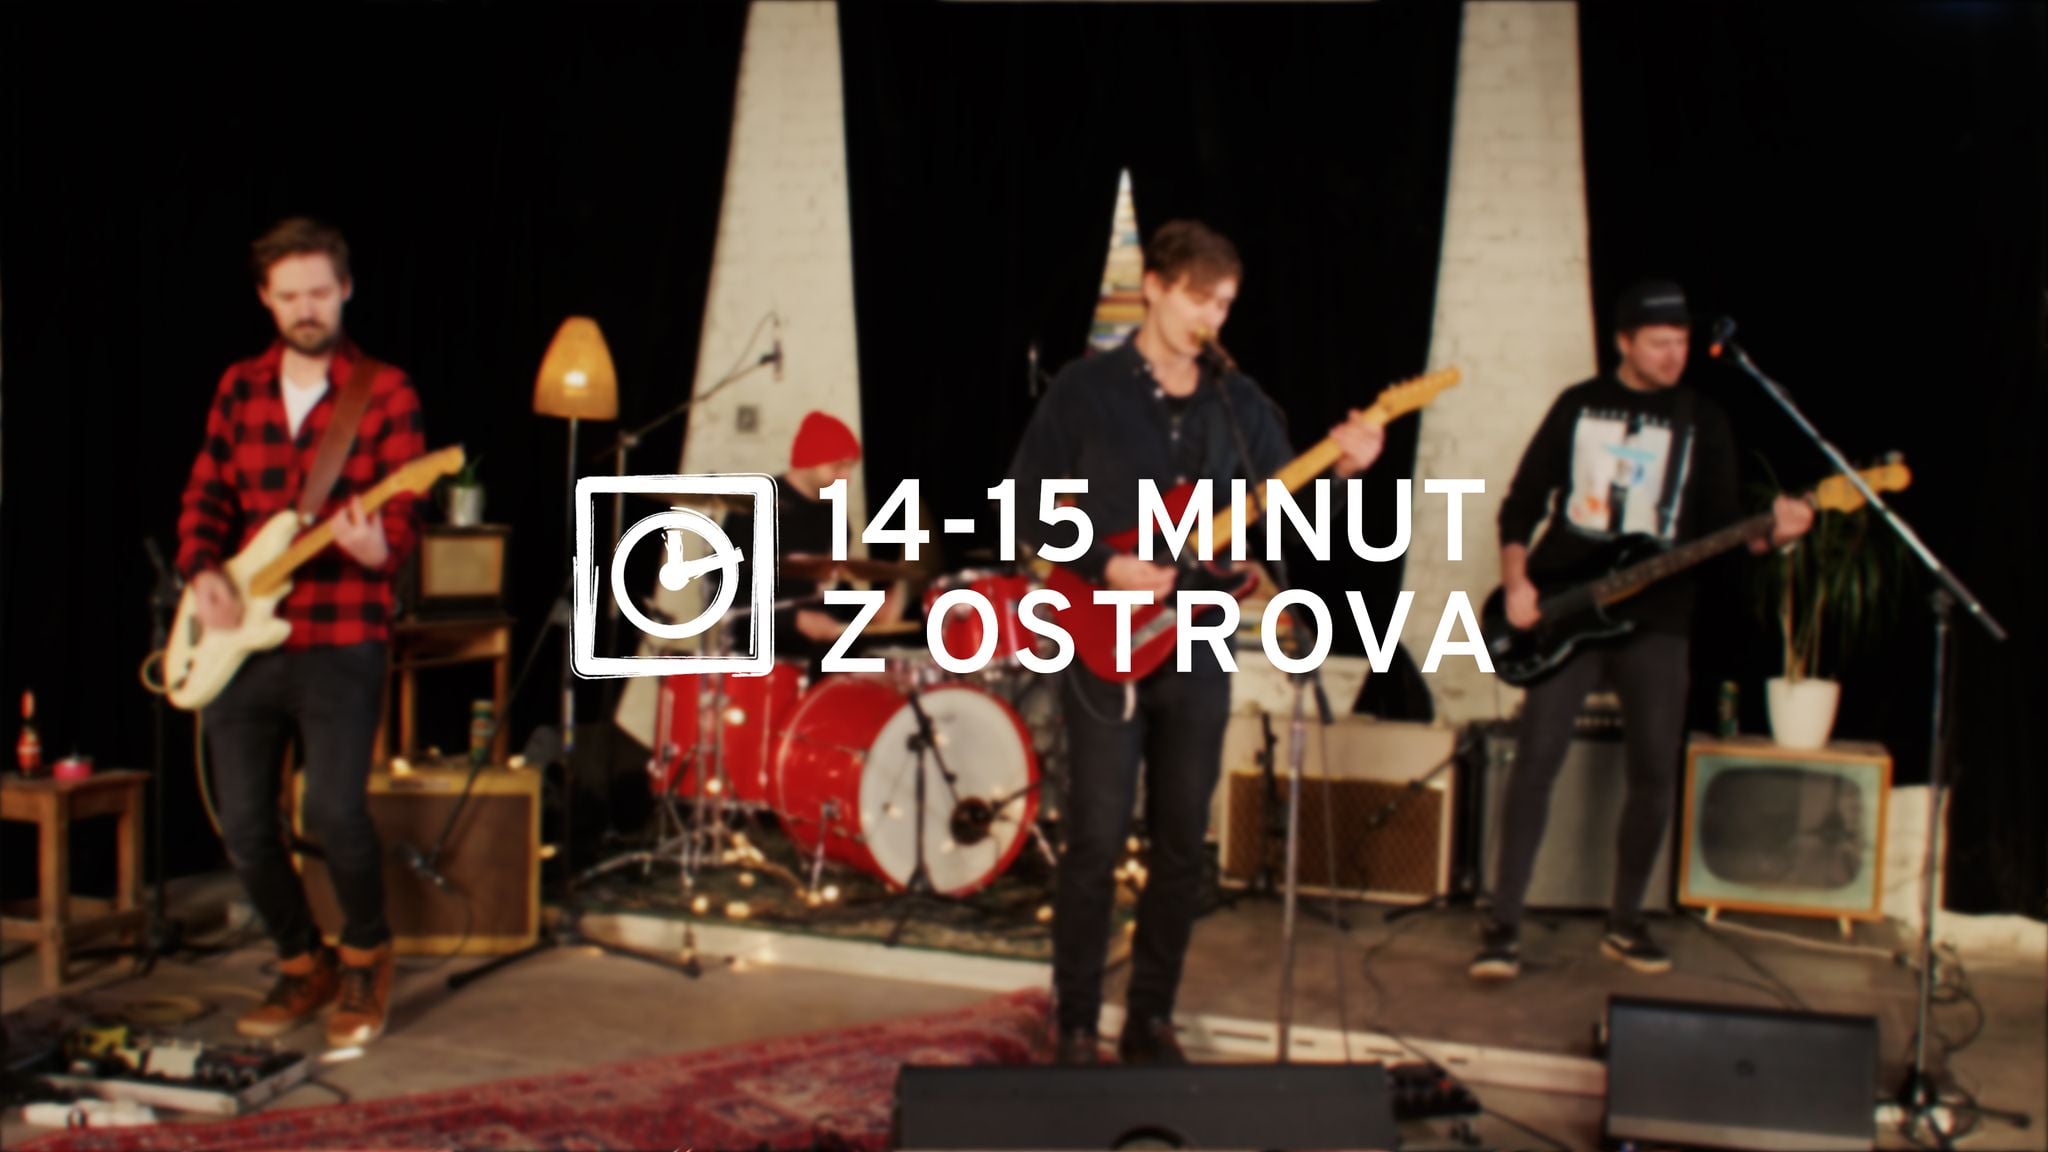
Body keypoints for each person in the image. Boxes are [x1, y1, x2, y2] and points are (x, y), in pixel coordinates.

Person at [1008, 220, 1384, 1065]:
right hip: (1103, 637)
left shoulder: (1239, 404)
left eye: (1224, 304)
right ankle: (1076, 1022)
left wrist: (1344, 466)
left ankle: (1150, 1018)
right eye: (1198, 299)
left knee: (1183, 844)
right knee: (1095, 840)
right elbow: (1027, 503)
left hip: (1200, 643)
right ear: (1154, 286)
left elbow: (1286, 508)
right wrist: (1106, 564)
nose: (1211, 318)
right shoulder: (1084, 389)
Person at [1476, 279, 1813, 981]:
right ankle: (1502, 926)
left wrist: (1774, 536)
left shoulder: (1702, 419)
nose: (1673, 355)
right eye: (1659, 342)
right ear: (1623, 342)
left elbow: (1725, 529)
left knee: (1655, 770)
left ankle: (1626, 922)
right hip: (1565, 606)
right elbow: (1521, 503)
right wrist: (1518, 583)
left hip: (1659, 617)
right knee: (1535, 762)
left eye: (1682, 342)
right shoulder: (1577, 405)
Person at [177, 217, 426, 1046]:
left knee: (333, 811)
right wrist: (202, 570)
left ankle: (365, 955)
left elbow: (406, 515)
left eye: (320, 292)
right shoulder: (239, 386)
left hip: (341, 634)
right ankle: (299, 962)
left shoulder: (385, 392)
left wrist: (378, 546)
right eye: (289, 296)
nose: (306, 309)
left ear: (346, 288)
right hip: (243, 637)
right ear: (265, 298)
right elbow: (207, 492)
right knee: (245, 825)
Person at [722, 410, 908, 669]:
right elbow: (725, 597)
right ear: (808, 461)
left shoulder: (836, 518)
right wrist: (794, 620)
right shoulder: (752, 510)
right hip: (766, 658)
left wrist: (871, 611)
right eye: (838, 466)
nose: (847, 478)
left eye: (850, 467)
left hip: (824, 656)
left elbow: (832, 590)